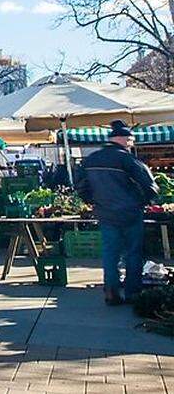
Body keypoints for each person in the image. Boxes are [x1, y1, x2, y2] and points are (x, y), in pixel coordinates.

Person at [75, 120, 159, 306]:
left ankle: (111, 292)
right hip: (130, 213)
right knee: (133, 253)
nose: (132, 143)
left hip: (105, 213)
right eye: (130, 140)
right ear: (122, 139)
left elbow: (80, 185)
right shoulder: (128, 159)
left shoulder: (92, 159)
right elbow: (151, 186)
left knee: (110, 253)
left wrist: (92, 201)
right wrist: (142, 201)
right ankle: (132, 293)